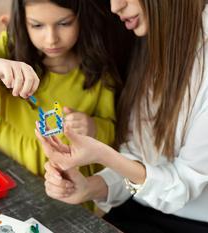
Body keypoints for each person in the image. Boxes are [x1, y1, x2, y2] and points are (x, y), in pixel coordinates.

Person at [0, 0, 130, 214]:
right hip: (10, 162)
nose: (51, 38)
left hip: (69, 178)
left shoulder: (99, 68)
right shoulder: (9, 49)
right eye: (37, 25)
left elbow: (113, 132)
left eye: (64, 23)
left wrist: (92, 127)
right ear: (21, 23)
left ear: (81, 18)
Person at [37, 0, 208, 232]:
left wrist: (103, 155)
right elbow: (138, 159)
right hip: (136, 206)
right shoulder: (151, 42)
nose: (115, 7)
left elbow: (182, 187)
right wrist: (88, 187)